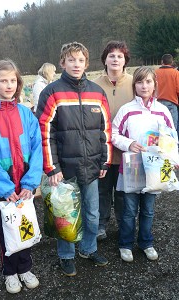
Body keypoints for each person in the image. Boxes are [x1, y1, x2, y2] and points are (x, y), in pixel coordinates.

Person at [36, 41, 112, 276]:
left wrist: (105, 161)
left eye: (80, 60)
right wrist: (51, 167)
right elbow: (44, 132)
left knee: (92, 213)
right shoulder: (52, 92)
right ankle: (66, 255)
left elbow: (105, 130)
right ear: (62, 63)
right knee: (65, 215)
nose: (76, 64)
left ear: (86, 63)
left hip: (91, 167)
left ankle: (88, 249)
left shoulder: (97, 92)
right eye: (71, 60)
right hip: (64, 170)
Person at [0, 59, 43, 293]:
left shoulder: (26, 114)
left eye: (12, 80)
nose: (8, 85)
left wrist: (30, 182)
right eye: (3, 80)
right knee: (6, 229)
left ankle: (25, 268)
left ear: (18, 84)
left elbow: (37, 150)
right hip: (2, 190)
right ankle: (10, 272)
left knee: (25, 226)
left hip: (23, 186)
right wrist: (5, 189)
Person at [112, 66, 178, 262]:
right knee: (129, 210)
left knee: (148, 210)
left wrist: (173, 159)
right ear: (135, 85)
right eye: (140, 82)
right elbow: (114, 134)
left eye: (148, 81)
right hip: (132, 167)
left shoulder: (163, 111)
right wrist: (129, 143)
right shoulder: (127, 110)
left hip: (155, 169)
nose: (144, 85)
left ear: (154, 84)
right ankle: (125, 244)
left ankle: (146, 243)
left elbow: (171, 137)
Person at [94, 40, 133, 240]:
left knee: (122, 191)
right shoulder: (94, 85)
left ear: (125, 59)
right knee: (102, 189)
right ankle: (101, 225)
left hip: (126, 149)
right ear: (105, 59)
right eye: (112, 55)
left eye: (120, 56)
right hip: (101, 148)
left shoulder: (134, 82)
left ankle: (122, 224)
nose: (116, 59)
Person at [155, 54, 179, 130]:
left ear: (162, 61)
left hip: (156, 103)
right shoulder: (176, 73)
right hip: (171, 103)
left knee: (157, 128)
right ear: (172, 62)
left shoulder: (155, 73)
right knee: (172, 129)